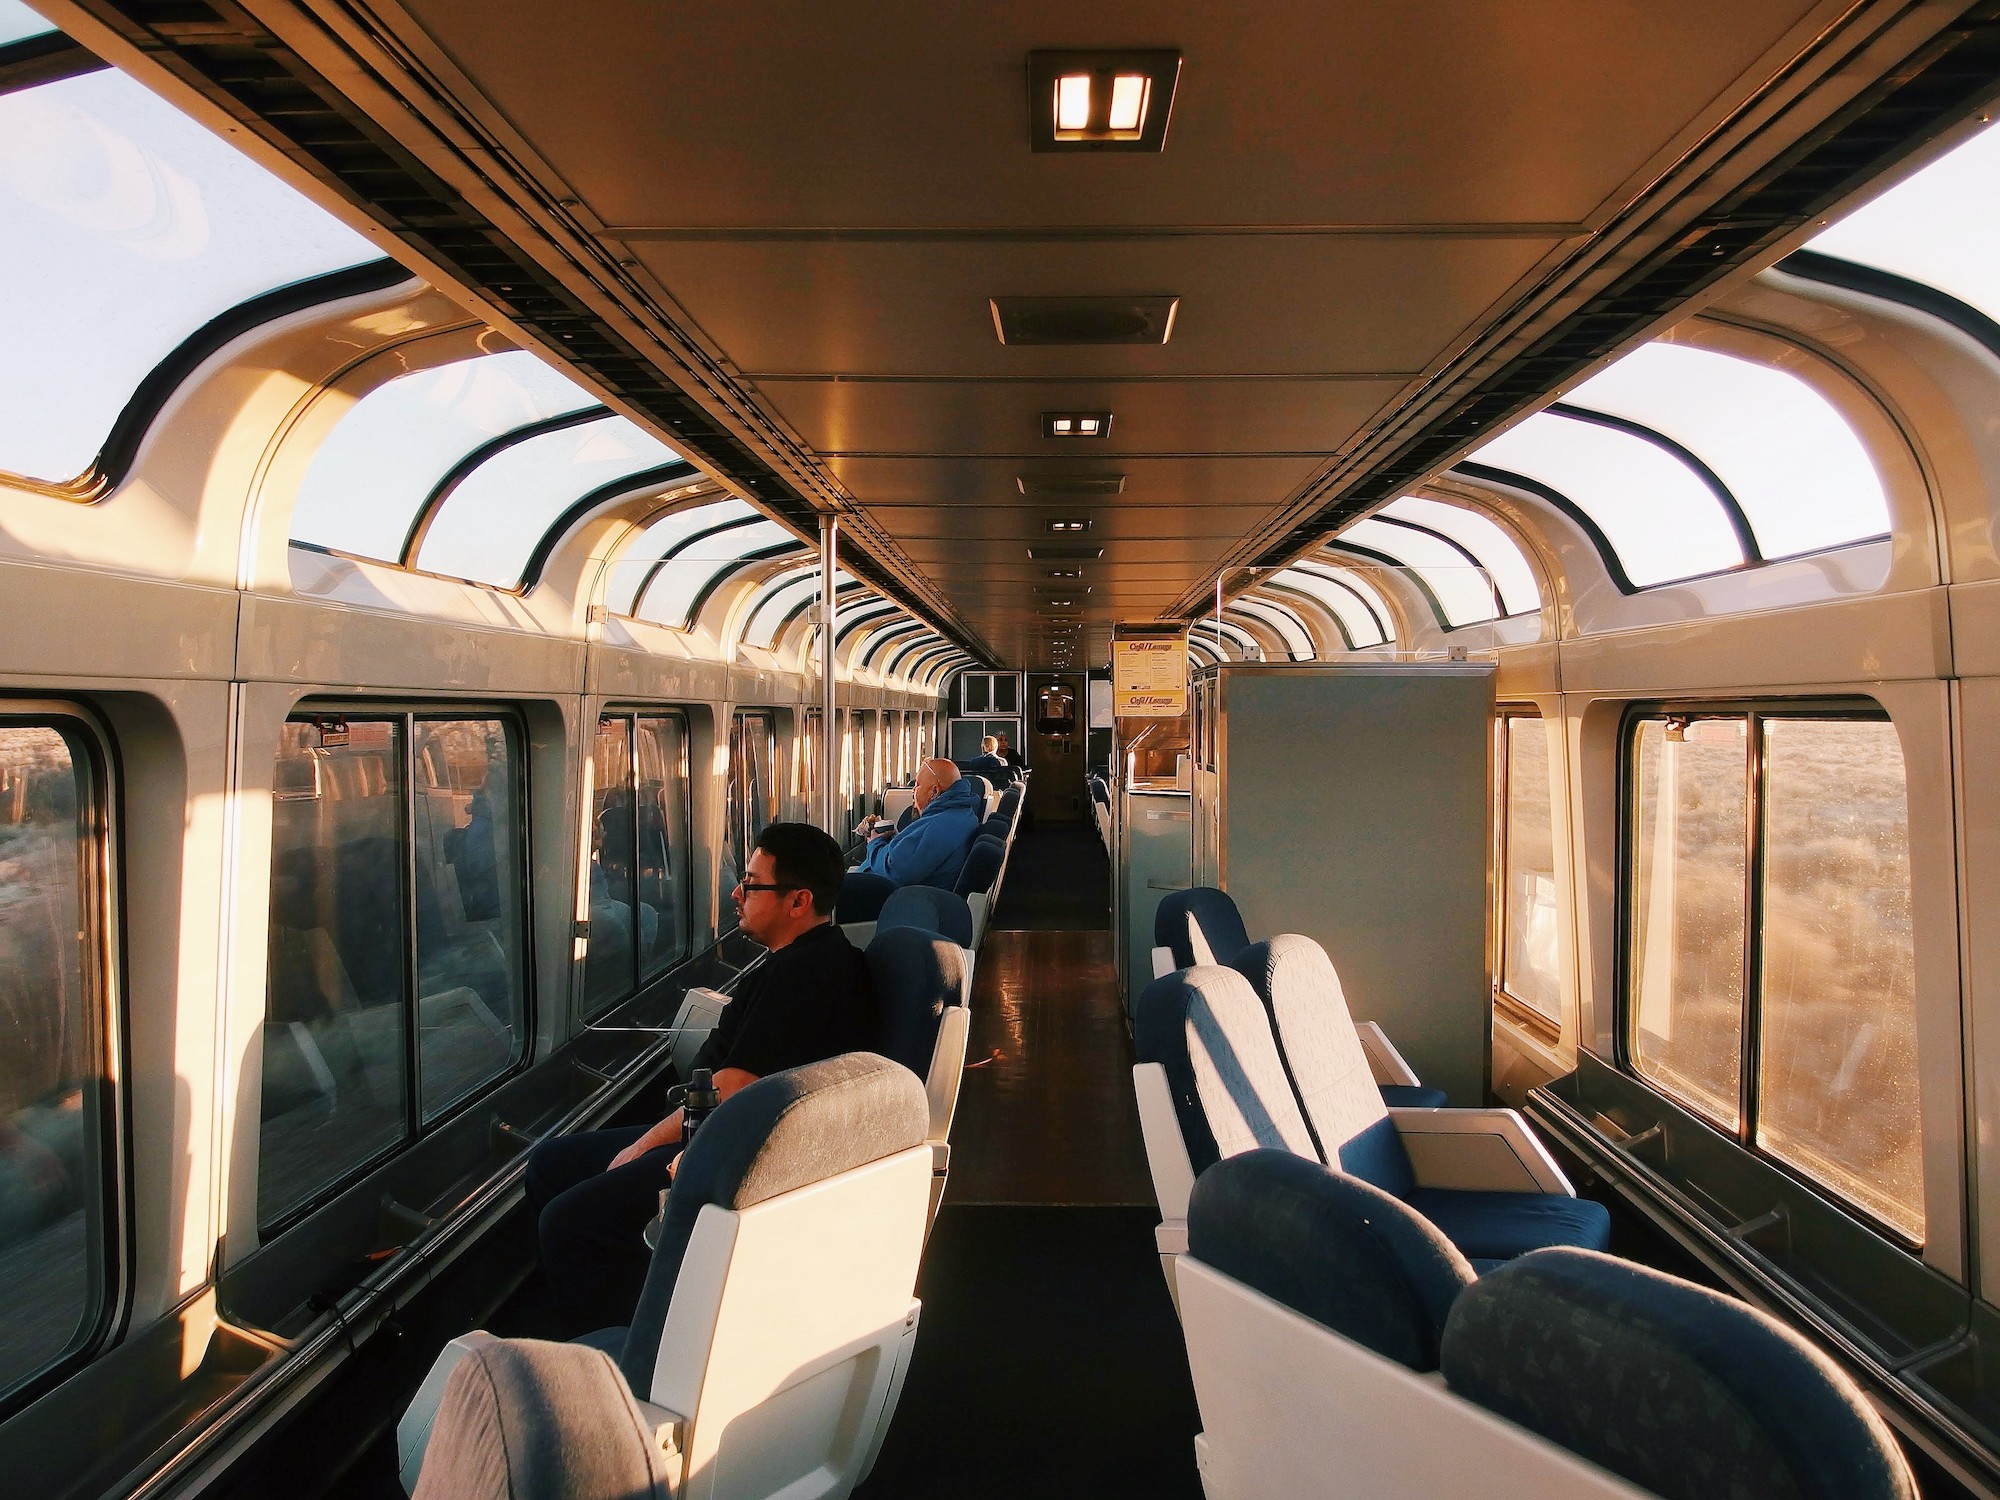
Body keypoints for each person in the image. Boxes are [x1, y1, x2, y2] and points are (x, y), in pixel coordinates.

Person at [524, 822, 876, 1333]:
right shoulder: (804, 960)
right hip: (722, 1128)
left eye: (751, 883)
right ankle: (563, 1308)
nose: (736, 892)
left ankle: (616, 1347)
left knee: (568, 1222)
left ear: (797, 902)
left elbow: (732, 1088)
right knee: (548, 1164)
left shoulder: (801, 977)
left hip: (731, 1150)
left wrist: (642, 1148)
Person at [853, 757, 982, 888]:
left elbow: (894, 871)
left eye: (917, 785)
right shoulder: (960, 814)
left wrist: (875, 842)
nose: (913, 790)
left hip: (885, 897)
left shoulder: (939, 826)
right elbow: (917, 857)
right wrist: (897, 838)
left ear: (934, 791)